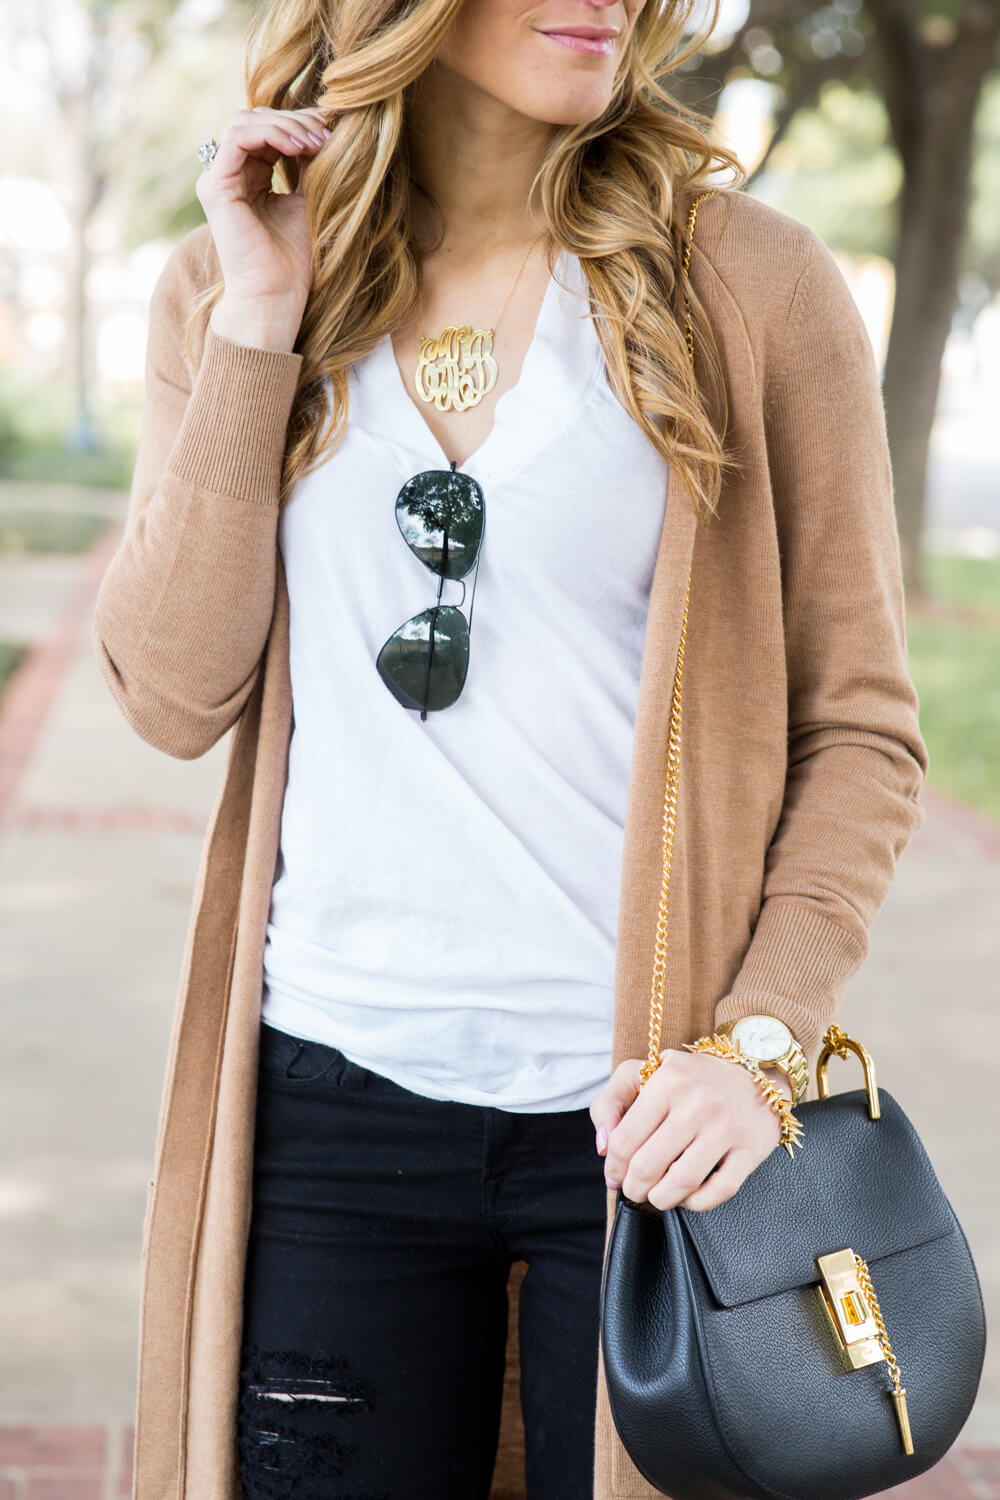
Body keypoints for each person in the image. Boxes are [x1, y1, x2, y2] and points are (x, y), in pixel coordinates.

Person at [92, 0, 928, 1496]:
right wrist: (260, 322)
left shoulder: (751, 287)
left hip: (647, 1137)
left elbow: (860, 729)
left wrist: (760, 1044)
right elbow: (167, 694)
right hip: (329, 1110)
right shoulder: (232, 280)